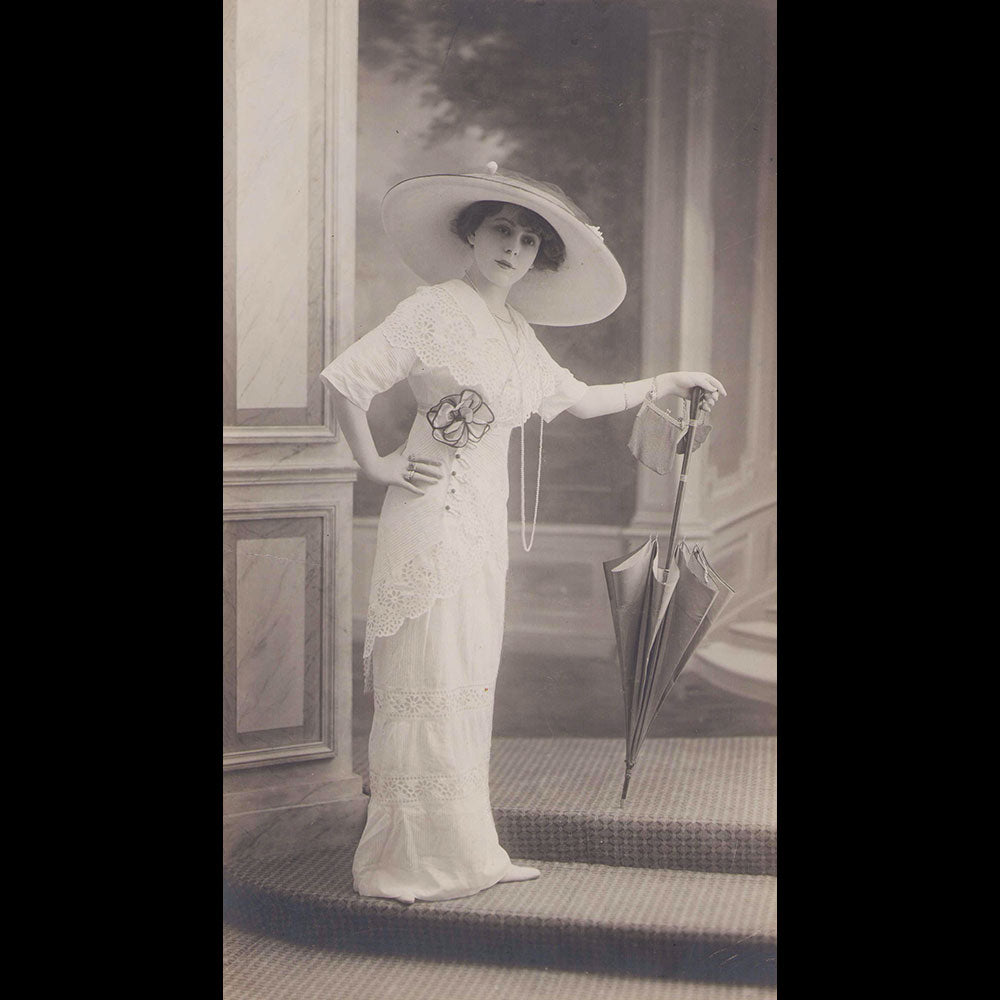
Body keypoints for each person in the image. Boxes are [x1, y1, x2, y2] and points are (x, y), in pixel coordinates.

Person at [320, 163, 726, 905]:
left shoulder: (515, 330)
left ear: (539, 259)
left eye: (531, 239)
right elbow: (347, 379)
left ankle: (471, 851)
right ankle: (405, 860)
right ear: (470, 234)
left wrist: (667, 381)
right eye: (502, 229)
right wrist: (375, 465)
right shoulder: (432, 307)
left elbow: (575, 399)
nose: (514, 246)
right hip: (429, 517)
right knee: (429, 677)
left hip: (483, 524)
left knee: (470, 682)